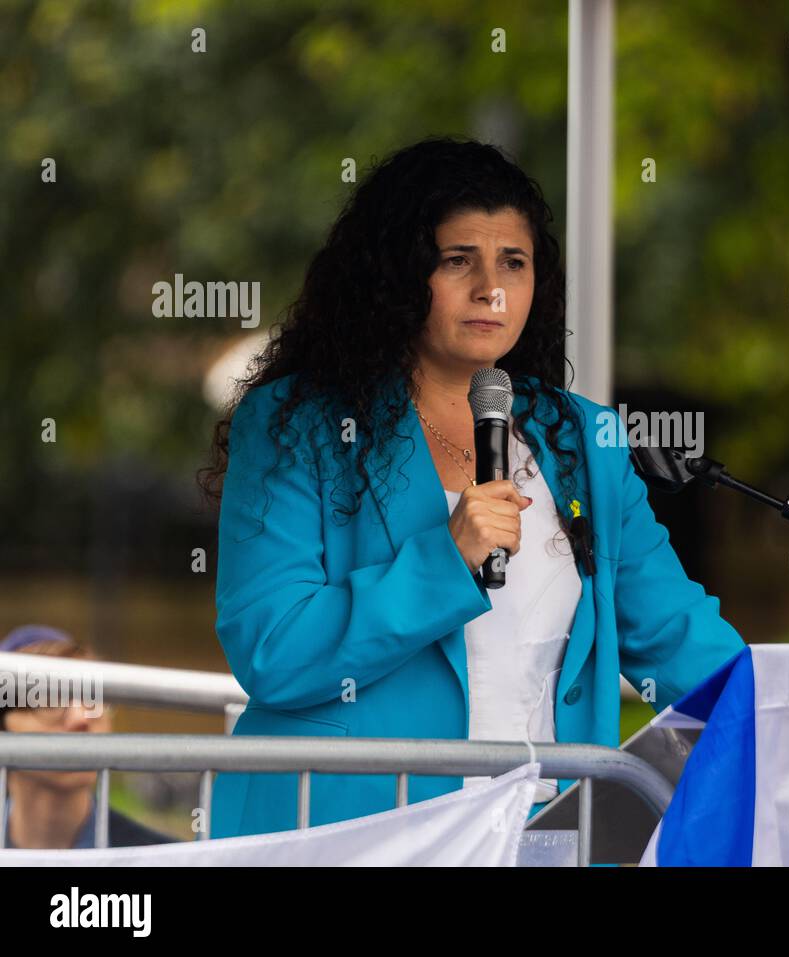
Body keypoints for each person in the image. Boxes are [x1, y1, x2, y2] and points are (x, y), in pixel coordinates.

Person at [197, 135, 746, 838]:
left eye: (513, 263)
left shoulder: (582, 438)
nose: (491, 287)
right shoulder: (296, 426)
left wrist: (780, 709)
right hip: (352, 836)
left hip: (538, 832)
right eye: (459, 260)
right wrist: (443, 558)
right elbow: (272, 648)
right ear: (397, 276)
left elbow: (674, 631)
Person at [0, 625, 178, 849]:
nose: (82, 717)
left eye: (93, 697)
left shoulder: (161, 859)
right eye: (48, 697)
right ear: (4, 727)